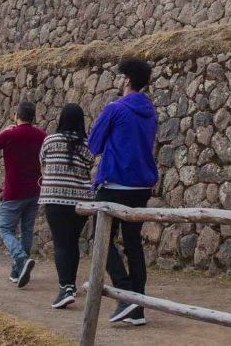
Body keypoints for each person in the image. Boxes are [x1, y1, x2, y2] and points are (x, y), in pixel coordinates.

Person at [88, 58, 157, 327]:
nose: (116, 81)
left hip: (115, 184)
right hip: (141, 187)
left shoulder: (114, 109)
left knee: (100, 240)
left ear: (126, 80)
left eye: (118, 77)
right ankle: (138, 308)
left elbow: (94, 145)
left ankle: (125, 294)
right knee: (133, 245)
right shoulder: (150, 111)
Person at [0, 101, 46, 288]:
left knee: (5, 229)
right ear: (33, 116)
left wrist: (2, 131)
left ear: (17, 115)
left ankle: (20, 259)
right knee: (26, 230)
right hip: (35, 190)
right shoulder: (41, 135)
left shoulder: (10, 133)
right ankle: (18, 271)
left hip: (13, 191)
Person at [40, 103, 95, 309]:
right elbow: (89, 167)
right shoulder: (88, 145)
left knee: (61, 244)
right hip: (80, 202)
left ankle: (66, 287)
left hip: (54, 199)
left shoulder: (50, 140)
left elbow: (43, 164)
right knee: (72, 242)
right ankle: (70, 284)